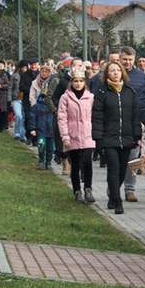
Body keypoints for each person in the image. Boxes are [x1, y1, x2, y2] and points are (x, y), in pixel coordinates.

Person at [92, 60, 141, 215]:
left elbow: (135, 116)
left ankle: (112, 196)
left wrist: (137, 134)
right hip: (109, 137)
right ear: (107, 73)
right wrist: (98, 138)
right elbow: (97, 117)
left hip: (126, 137)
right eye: (112, 70)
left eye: (118, 70)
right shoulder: (102, 93)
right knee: (113, 168)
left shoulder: (129, 92)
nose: (115, 73)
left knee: (121, 170)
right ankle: (117, 200)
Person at [57, 69, 96, 204]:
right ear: (71, 82)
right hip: (72, 134)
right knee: (75, 164)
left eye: (80, 81)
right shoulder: (65, 97)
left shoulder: (90, 97)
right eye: (75, 81)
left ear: (84, 82)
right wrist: (65, 136)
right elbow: (62, 118)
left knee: (87, 161)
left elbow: (94, 116)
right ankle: (77, 190)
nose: (78, 84)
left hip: (87, 134)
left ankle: (88, 188)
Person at [119, 46, 145, 203]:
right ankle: (114, 184)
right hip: (115, 122)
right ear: (119, 58)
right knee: (116, 159)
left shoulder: (141, 77)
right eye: (124, 59)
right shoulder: (112, 74)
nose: (127, 62)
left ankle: (129, 189)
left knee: (132, 158)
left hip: (134, 123)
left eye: (130, 60)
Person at [28, 94, 56, 170]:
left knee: (50, 148)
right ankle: (41, 160)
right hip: (41, 130)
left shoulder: (54, 107)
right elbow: (32, 118)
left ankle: (48, 162)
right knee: (41, 145)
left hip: (51, 131)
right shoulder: (37, 106)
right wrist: (33, 129)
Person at [10, 60, 28, 142]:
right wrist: (9, 100)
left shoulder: (28, 77)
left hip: (25, 99)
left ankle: (23, 134)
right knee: (18, 115)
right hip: (16, 98)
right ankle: (17, 133)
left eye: (26, 67)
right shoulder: (15, 76)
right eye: (23, 67)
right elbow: (10, 88)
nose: (25, 69)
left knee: (24, 117)